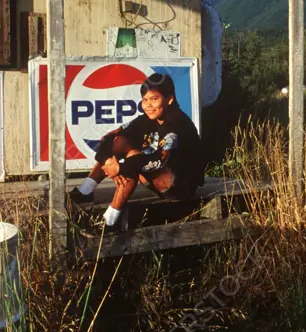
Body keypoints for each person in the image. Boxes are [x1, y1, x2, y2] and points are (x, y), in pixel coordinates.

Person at [70, 73, 205, 228]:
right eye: (145, 100)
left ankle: (110, 221)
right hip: (154, 176)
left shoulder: (178, 124)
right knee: (119, 142)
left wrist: (121, 167)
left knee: (134, 159)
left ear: (169, 99)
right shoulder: (146, 119)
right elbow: (108, 139)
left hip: (180, 186)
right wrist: (108, 161)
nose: (148, 105)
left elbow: (159, 161)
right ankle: (86, 191)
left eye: (154, 99)